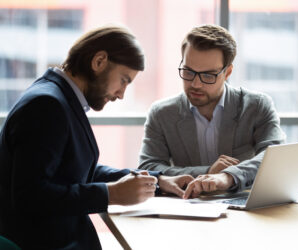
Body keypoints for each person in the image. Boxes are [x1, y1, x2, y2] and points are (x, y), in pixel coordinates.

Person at [0, 25, 193, 250]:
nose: (121, 94)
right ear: (99, 61)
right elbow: (31, 197)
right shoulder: (47, 105)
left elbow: (75, 169)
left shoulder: (59, 97)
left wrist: (155, 181)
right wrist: (110, 194)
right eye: (124, 80)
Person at [138, 24, 285, 199]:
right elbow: (149, 168)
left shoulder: (256, 106)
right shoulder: (162, 114)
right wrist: (207, 171)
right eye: (188, 72)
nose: (195, 84)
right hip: (186, 210)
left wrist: (227, 177)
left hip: (244, 209)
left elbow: (275, 157)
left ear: (227, 72)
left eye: (208, 75)